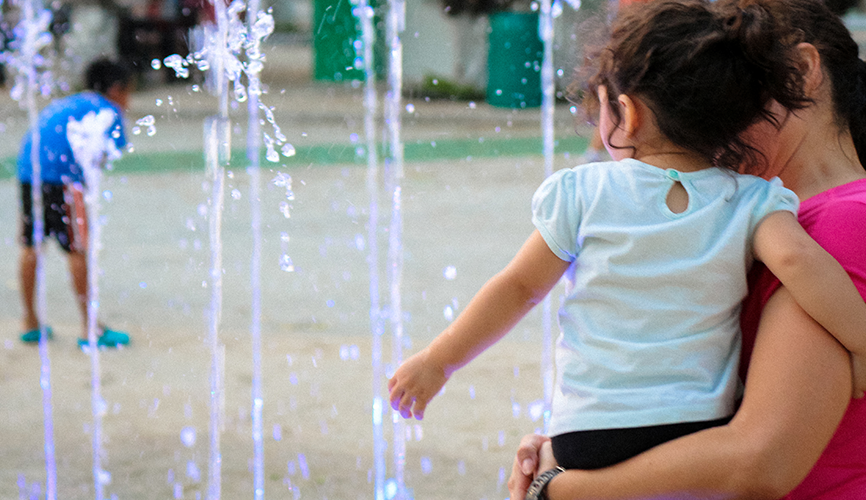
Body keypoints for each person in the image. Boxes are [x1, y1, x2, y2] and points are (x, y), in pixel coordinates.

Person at [388, 0, 866, 473]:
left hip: (589, 434)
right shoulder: (753, 200)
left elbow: (518, 287)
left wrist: (439, 362)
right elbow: (799, 263)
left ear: (627, 113)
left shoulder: (583, 192)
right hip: (697, 427)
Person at [18, 58, 132, 349]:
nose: (128, 101)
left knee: (31, 245)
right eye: (128, 92)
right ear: (116, 89)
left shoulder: (71, 103)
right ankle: (90, 327)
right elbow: (103, 158)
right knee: (78, 248)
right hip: (63, 180)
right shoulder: (109, 111)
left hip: (29, 172)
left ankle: (30, 321)